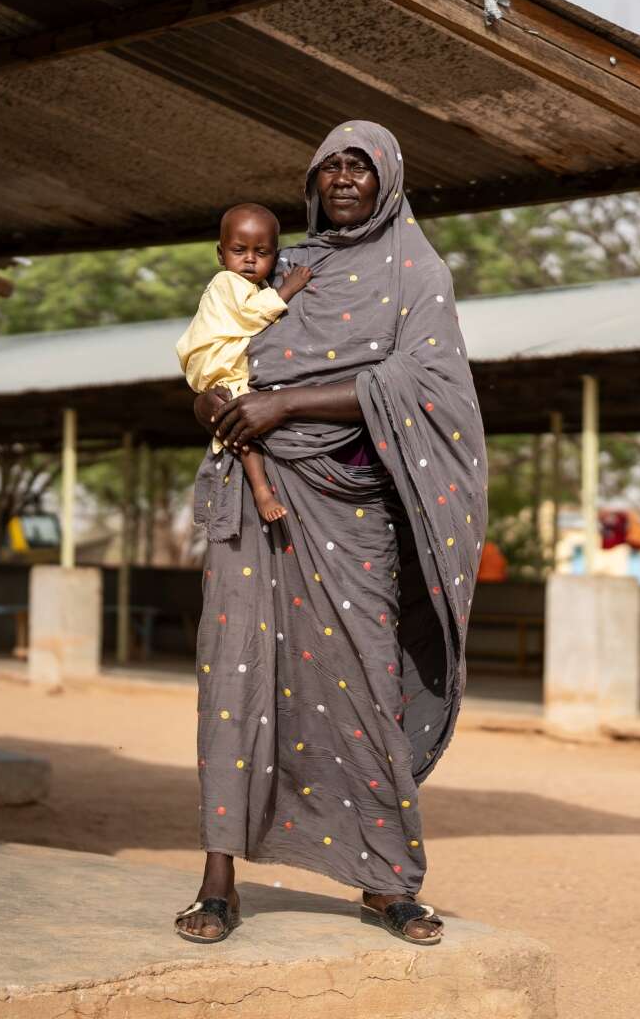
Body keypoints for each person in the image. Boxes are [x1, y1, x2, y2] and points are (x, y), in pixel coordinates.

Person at [174, 122, 486, 949]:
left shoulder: (417, 271)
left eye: (360, 165)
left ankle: (387, 883)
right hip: (251, 496)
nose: (345, 177)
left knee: (364, 683)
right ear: (313, 181)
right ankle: (217, 881)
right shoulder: (285, 267)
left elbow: (425, 382)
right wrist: (215, 405)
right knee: (232, 675)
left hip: (350, 508)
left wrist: (289, 405)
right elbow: (229, 358)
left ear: (388, 177)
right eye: (330, 166)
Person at [175, 204, 313, 524]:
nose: (250, 259)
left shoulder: (250, 285)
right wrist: (288, 288)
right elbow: (252, 314)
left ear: (274, 256)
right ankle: (262, 491)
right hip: (219, 365)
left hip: (223, 365)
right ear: (221, 255)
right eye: (239, 250)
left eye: (261, 252)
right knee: (244, 428)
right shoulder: (227, 283)